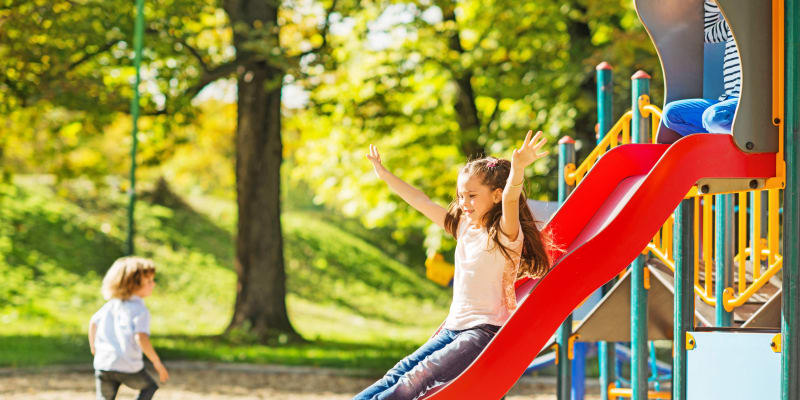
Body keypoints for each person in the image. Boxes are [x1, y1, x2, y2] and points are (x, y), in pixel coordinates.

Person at [354, 130, 552, 400]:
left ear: (495, 195)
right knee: (398, 372)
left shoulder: (506, 233)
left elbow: (510, 199)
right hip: (452, 328)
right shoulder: (463, 228)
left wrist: (517, 171)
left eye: (472, 196)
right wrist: (385, 175)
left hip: (483, 331)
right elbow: (421, 201)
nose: (464, 203)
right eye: (461, 196)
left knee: (418, 378)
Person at [88, 256, 169, 400]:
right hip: (128, 365)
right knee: (149, 387)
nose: (153, 284)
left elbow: (93, 323)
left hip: (104, 364)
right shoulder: (140, 310)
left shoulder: (110, 305)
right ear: (133, 285)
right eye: (149, 281)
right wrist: (156, 361)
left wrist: (94, 348)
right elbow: (141, 337)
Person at [661, 0, 740, 137]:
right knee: (671, 114)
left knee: (714, 117)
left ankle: (736, 141)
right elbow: (706, 34)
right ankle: (721, 140)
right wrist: (712, 2)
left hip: (747, 101)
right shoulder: (731, 23)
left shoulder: (760, 20)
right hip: (728, 101)